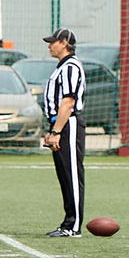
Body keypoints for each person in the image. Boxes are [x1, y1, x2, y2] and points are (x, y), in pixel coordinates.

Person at [38, 27, 87, 237]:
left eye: (53, 41)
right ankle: (68, 222)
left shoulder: (71, 67)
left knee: (72, 175)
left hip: (69, 124)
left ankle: (73, 225)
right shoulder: (62, 67)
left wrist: (57, 131)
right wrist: (52, 130)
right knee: (64, 176)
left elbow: (68, 102)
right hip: (60, 125)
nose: (49, 45)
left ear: (64, 42)